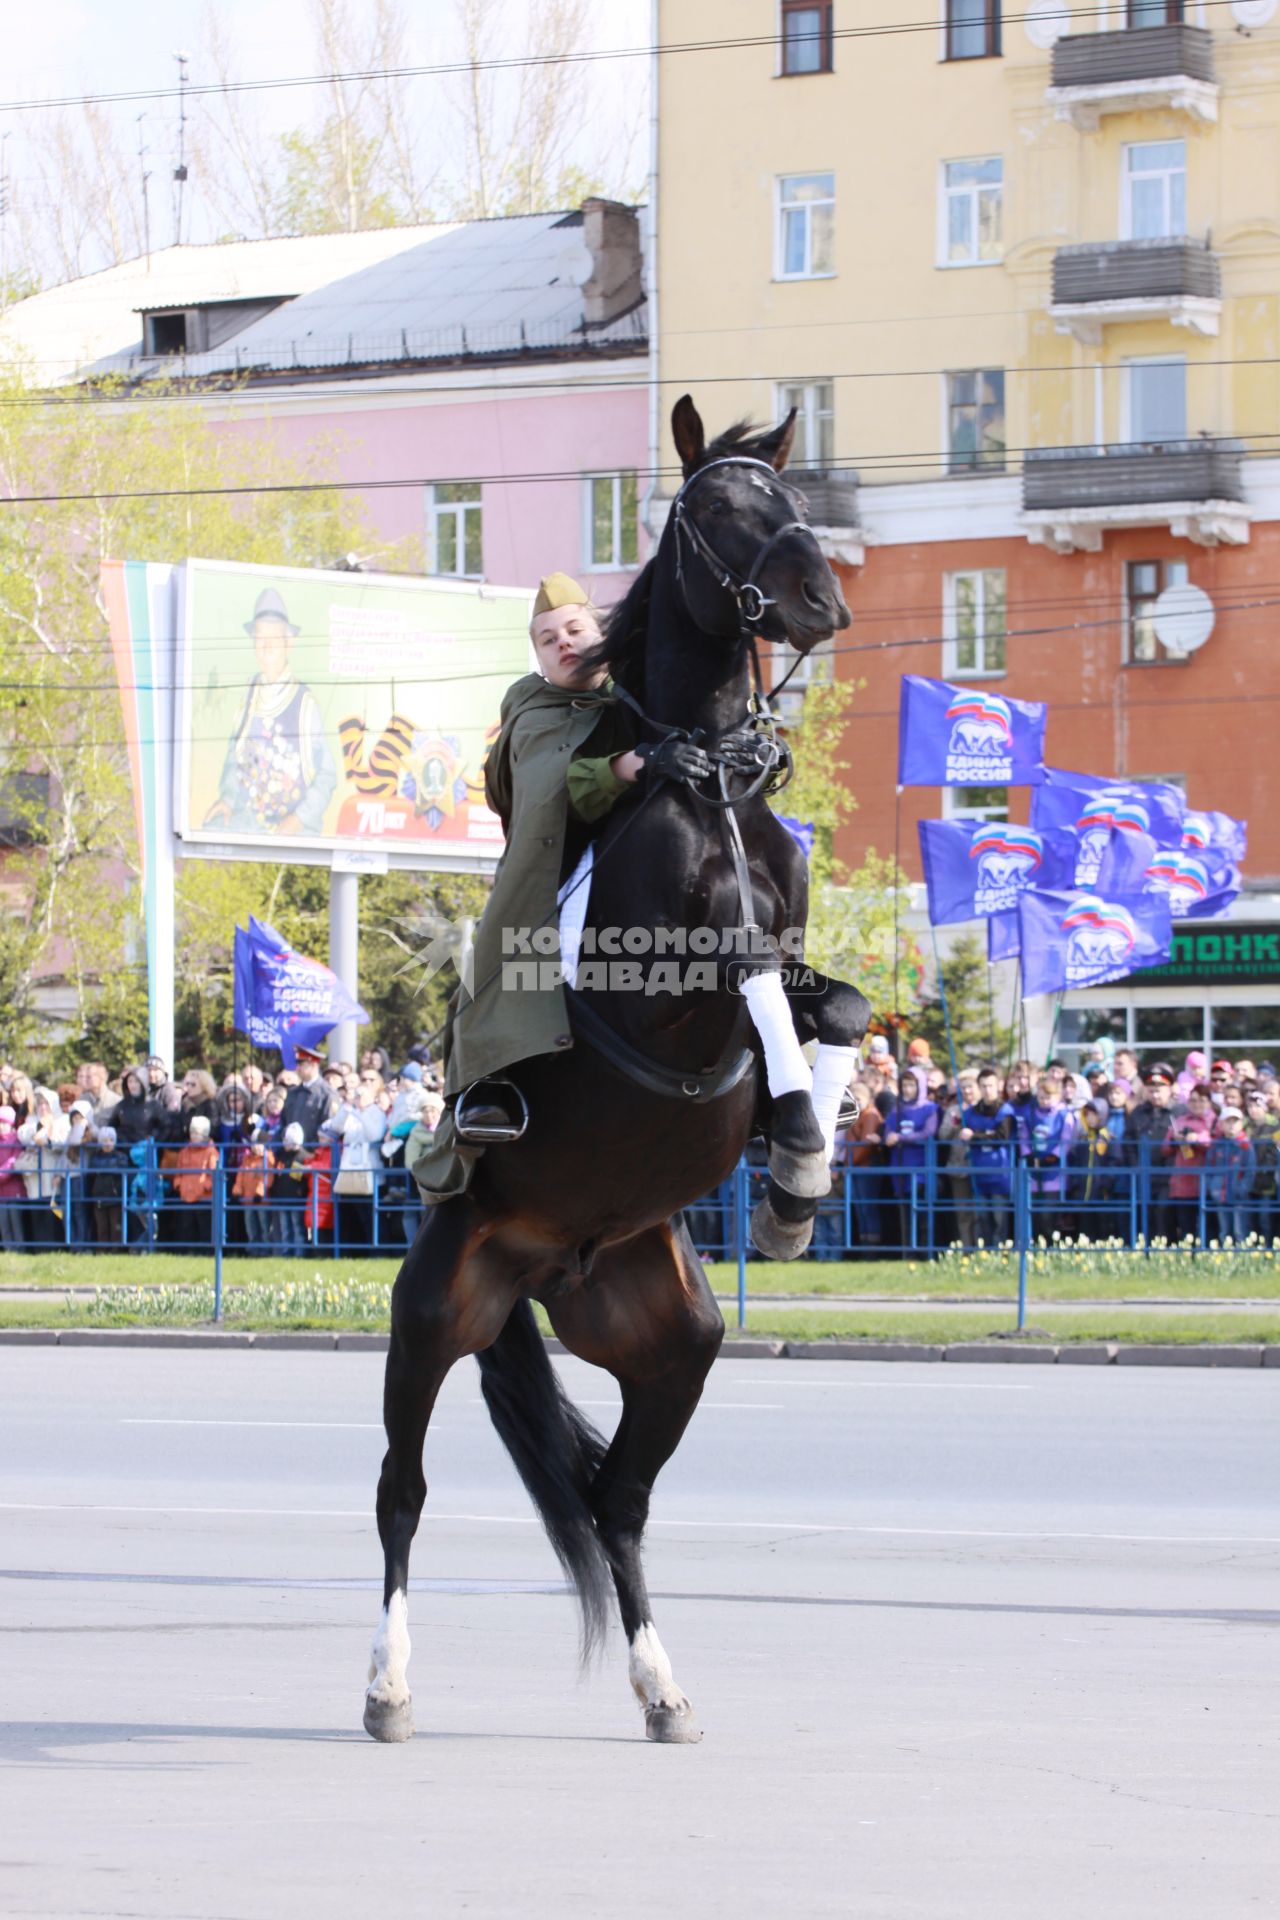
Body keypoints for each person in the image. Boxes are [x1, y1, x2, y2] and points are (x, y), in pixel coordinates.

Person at [408, 570, 709, 1202]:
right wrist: (635, 763)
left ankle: (779, 1077)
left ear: (600, 630)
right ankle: (488, 1090)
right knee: (504, 958)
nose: (564, 643)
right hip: (563, 864)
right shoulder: (532, 708)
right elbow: (556, 784)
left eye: (574, 629)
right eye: (548, 639)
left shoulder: (642, 687)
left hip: (654, 854)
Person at [203, 587, 337, 837]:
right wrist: (228, 799)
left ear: (288, 643)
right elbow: (235, 758)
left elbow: (327, 775)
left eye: (272, 640)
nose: (265, 648)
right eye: (258, 639)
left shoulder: (304, 704)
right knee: (209, 830)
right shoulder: (249, 697)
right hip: (250, 822)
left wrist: (299, 818)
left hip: (293, 826)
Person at [882, 1068, 939, 1251]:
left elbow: (928, 1133)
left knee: (921, 1213)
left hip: (921, 1168)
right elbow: (888, 1131)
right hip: (900, 1166)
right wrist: (890, 1137)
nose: (907, 1089)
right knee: (904, 1213)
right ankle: (908, 1252)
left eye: (912, 1085)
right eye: (905, 1085)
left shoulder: (930, 1108)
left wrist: (901, 1138)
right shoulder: (896, 1109)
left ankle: (923, 1250)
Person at [961, 1067, 1015, 1247]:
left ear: (998, 1086)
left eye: (990, 1085)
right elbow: (965, 1135)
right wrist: (983, 1134)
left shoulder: (1005, 1111)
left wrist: (976, 1135)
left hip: (1000, 1173)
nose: (987, 1089)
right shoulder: (971, 1112)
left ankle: (1000, 1252)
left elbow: (1001, 1137)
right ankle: (985, 1252)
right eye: (983, 1086)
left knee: (1000, 1218)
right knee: (982, 1217)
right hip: (979, 1172)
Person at [1019, 1075, 1075, 1240]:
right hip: (1034, 1171)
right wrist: (1027, 1154)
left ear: (1057, 1096)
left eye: (1048, 1097)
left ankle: (1050, 1246)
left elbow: (1067, 1140)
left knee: (1048, 1215)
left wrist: (1053, 1156)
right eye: (1041, 1097)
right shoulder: (1030, 1114)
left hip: (1055, 1173)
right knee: (1034, 1215)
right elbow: (1023, 1137)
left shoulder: (1064, 1115)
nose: (1043, 1101)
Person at [1163, 1086, 1215, 1244]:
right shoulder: (1180, 1121)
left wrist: (1197, 1139)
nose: (1197, 1104)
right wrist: (1175, 1139)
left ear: (1209, 1102)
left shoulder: (1215, 1120)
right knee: (1186, 1226)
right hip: (1182, 1183)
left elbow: (1218, 1142)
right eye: (1193, 1100)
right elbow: (1165, 1148)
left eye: (1201, 1100)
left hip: (1208, 1183)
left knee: (1209, 1226)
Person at [1205, 1108, 1255, 1246]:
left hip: (1239, 1195)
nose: (1232, 1125)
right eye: (1228, 1121)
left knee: (1240, 1230)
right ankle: (1226, 1259)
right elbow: (1209, 1168)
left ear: (1241, 1124)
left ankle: (1242, 1259)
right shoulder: (1216, 1146)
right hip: (1220, 1193)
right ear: (1221, 1124)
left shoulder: (1245, 1145)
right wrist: (1213, 1188)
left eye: (1235, 1121)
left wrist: (1242, 1189)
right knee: (1224, 1230)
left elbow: (1250, 1171)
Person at [168, 1115, 219, 1247]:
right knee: (186, 1227)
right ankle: (188, 1252)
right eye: (193, 1132)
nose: (195, 1136)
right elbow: (179, 1171)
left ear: (205, 1135)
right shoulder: (184, 1152)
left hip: (204, 1197)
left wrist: (205, 1187)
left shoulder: (211, 1153)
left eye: (198, 1133)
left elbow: (214, 1174)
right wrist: (178, 1184)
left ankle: (205, 1252)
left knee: (205, 1228)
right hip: (186, 1195)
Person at [281, 1045, 332, 1146]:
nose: (297, 1068)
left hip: (313, 1154)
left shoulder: (326, 1093)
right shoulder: (293, 1092)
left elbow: (328, 1127)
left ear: (313, 1065)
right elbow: (283, 1121)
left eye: (301, 1064)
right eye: (297, 1064)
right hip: (290, 1151)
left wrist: (311, 1149)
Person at [87, 1126, 129, 1246]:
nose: (107, 1143)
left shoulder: (121, 1157)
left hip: (115, 1197)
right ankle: (102, 1251)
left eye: (110, 1140)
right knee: (102, 1227)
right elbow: (91, 1171)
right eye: (104, 1140)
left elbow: (122, 1170)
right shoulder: (95, 1157)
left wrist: (102, 1171)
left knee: (116, 1226)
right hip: (99, 1197)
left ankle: (116, 1251)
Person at [0, 1105, 25, 1251]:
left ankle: (20, 1250)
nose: (1, 1127)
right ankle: (9, 1251)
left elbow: (13, 1162)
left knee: (16, 1223)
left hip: (14, 1190)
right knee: (4, 1225)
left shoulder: (16, 1141)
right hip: (1, 1193)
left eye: (4, 1123)